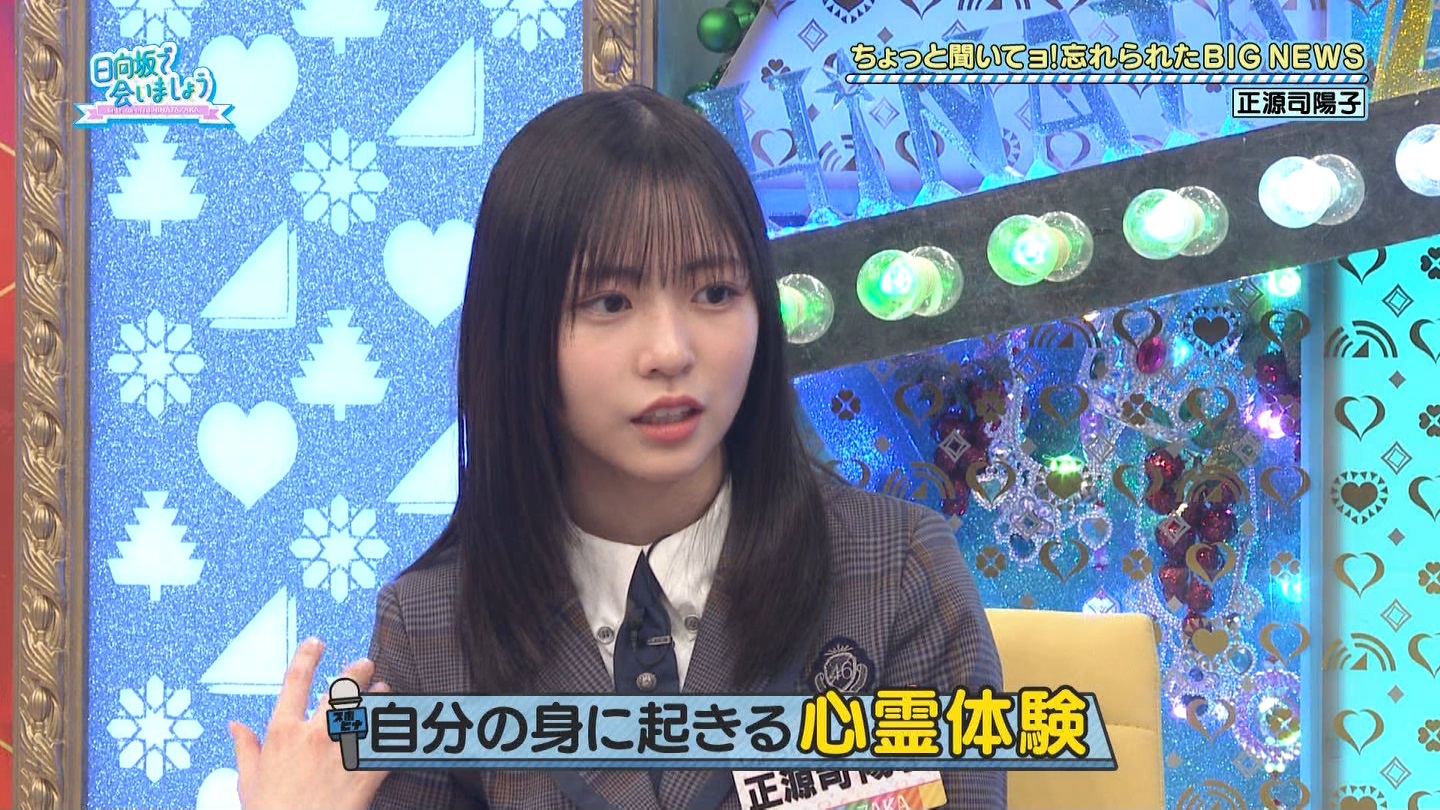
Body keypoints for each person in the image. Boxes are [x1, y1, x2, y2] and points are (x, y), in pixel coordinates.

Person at [231, 85, 1005, 810]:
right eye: (609, 301)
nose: (670, 351)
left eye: (715, 293)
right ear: (517, 331)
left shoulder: (895, 570)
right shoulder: (433, 626)